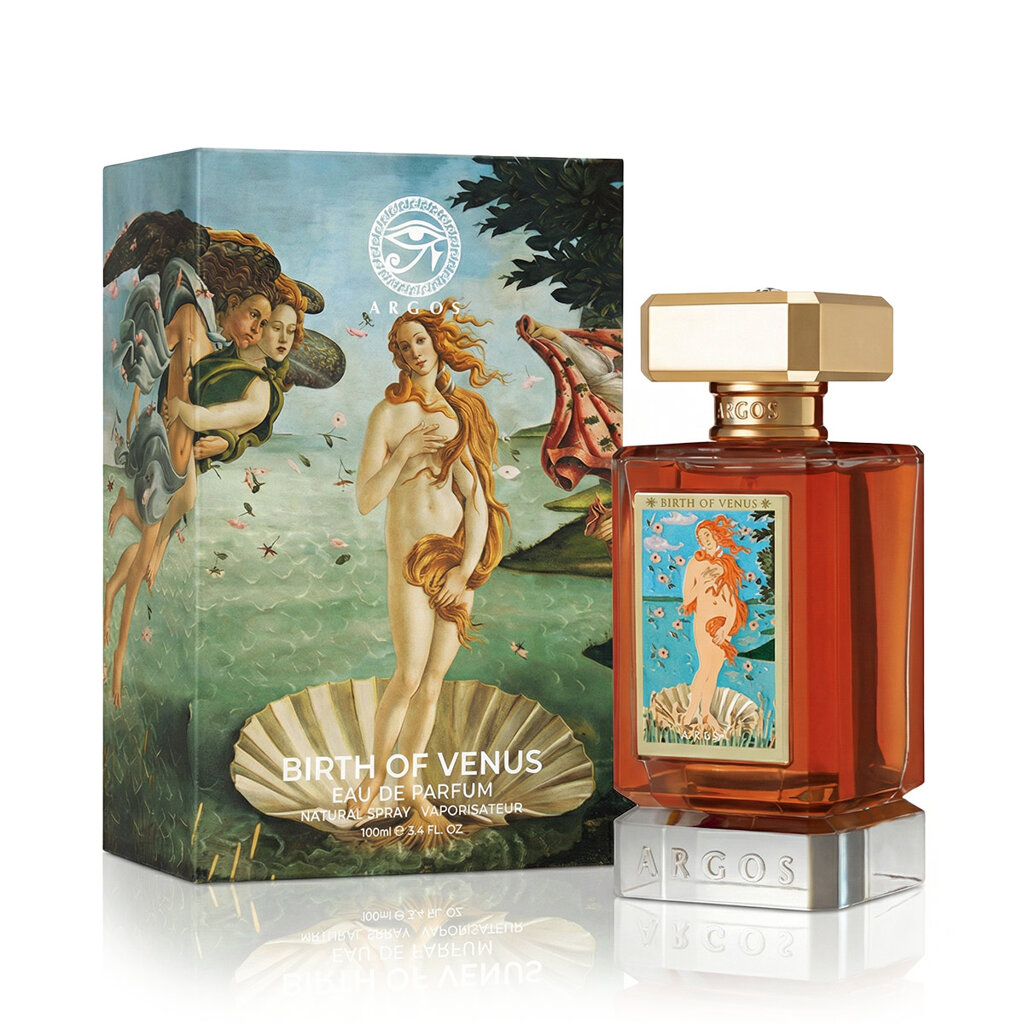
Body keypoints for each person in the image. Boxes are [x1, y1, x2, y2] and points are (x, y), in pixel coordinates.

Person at [352, 299, 508, 840]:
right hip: (409, 563)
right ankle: (375, 777)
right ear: (397, 356)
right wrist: (406, 453)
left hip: (454, 561)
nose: (415, 352)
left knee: (434, 681)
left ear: (437, 344)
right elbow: (366, 499)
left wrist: (466, 568)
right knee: (409, 675)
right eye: (404, 346)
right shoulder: (388, 415)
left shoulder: (458, 414)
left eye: (421, 340)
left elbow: (477, 501)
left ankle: (411, 787)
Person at [104, 234, 281, 706]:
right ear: (231, 304)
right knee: (146, 558)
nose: (257, 330)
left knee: (154, 547)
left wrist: (228, 440)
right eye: (254, 317)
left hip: (187, 470)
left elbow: (236, 414)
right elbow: (153, 356)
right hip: (169, 458)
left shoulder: (228, 358)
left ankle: (118, 549)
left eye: (265, 324)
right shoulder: (190, 320)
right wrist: (143, 402)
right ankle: (118, 654)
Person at [679, 514, 750, 739]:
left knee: (714, 671)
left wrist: (726, 628)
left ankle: (705, 713)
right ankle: (690, 712)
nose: (704, 540)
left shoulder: (726, 563)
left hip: (724, 624)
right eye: (700, 538)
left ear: (715, 535)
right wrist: (703, 582)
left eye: (706, 535)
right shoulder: (695, 563)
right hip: (704, 622)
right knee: (704, 667)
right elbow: (686, 598)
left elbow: (732, 601)